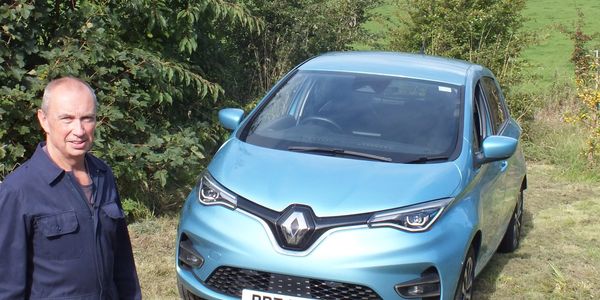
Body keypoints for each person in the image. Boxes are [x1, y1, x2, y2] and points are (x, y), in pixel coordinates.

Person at [0, 77, 142, 299]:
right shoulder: (18, 191)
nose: (79, 130)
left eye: (87, 118)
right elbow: (7, 285)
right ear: (44, 120)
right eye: (67, 119)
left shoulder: (103, 175)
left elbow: (123, 262)